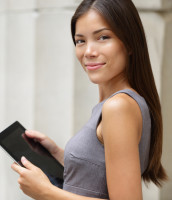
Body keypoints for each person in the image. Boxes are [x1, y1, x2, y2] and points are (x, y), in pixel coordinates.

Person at [11, 0, 168, 199]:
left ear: (129, 42)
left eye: (103, 37)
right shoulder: (117, 104)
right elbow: (100, 177)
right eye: (80, 41)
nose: (88, 52)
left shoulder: (118, 107)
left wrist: (46, 192)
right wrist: (60, 154)